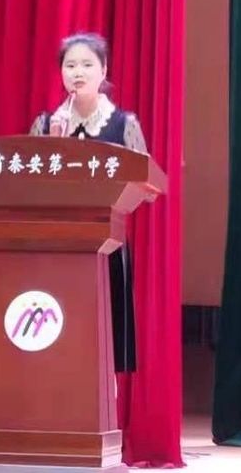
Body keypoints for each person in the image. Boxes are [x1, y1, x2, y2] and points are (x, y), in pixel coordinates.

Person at [29, 31, 146, 372]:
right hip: (56, 244)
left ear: (103, 70)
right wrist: (54, 144)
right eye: (70, 65)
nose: (77, 73)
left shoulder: (124, 125)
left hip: (106, 245)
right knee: (58, 339)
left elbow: (145, 182)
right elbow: (29, 184)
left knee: (101, 344)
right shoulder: (46, 124)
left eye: (86, 65)